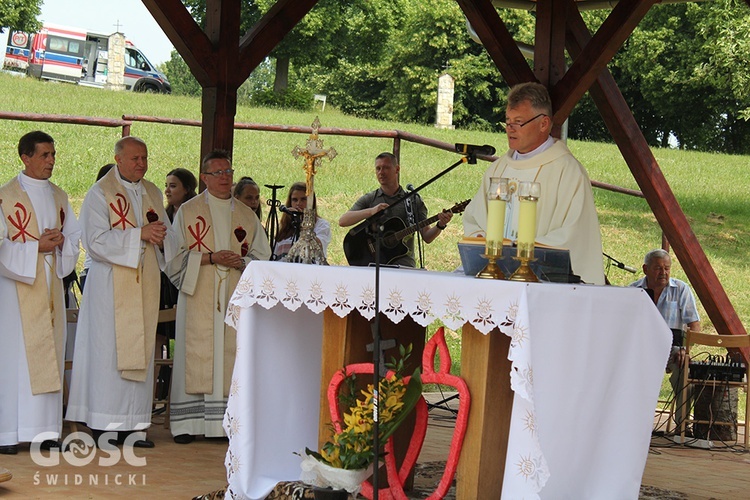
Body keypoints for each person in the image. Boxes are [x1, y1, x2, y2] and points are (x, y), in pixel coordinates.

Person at [66, 136, 177, 449]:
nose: (141, 163)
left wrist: (160, 239)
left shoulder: (152, 191)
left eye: (144, 157)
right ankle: (104, 426)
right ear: (118, 159)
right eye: (134, 158)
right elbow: (95, 241)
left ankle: (134, 427)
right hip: (110, 287)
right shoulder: (99, 194)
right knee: (109, 355)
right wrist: (139, 235)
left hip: (145, 284)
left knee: (139, 353)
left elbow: (170, 236)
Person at [166, 149, 271, 444]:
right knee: (195, 352)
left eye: (228, 172)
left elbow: (262, 256)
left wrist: (241, 262)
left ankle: (226, 423)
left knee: (230, 355)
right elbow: (173, 259)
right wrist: (210, 257)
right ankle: (188, 424)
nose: (225, 178)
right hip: (199, 290)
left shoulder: (246, 214)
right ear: (204, 178)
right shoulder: (188, 211)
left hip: (233, 293)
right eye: (218, 173)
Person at [462, 82, 605, 285]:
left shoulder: (567, 171)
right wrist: (487, 243)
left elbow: (575, 234)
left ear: (543, 123)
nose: (510, 129)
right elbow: (474, 219)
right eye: (508, 121)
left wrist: (519, 252)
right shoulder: (498, 169)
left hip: (543, 285)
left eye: (518, 122)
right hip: (494, 283)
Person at [0, 131, 81, 455]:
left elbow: (73, 236)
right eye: (45, 155)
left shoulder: (60, 196)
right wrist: (36, 247)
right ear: (26, 157)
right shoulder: (5, 196)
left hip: (47, 285)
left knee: (50, 352)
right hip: (14, 291)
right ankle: (8, 432)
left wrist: (60, 244)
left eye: (53, 155)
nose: (51, 161)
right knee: (15, 357)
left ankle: (46, 431)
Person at [339, 152, 452, 268]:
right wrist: (371, 211)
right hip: (374, 265)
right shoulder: (370, 199)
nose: (381, 172)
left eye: (386, 168)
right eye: (378, 168)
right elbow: (343, 221)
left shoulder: (413, 200)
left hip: (404, 265)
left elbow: (427, 237)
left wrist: (440, 225)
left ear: (397, 169)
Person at [630, 249, 700, 430]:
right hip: (641, 351)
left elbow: (695, 326)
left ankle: (682, 428)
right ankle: (634, 426)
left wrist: (686, 349)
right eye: (658, 268)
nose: (663, 273)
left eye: (667, 268)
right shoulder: (633, 291)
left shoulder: (681, 290)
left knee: (684, 373)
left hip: (673, 350)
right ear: (645, 269)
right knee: (626, 371)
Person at [273, 181, 331, 260]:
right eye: (294, 200)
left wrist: (301, 221)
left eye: (303, 199)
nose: (298, 203)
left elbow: (317, 245)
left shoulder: (321, 224)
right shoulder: (284, 226)